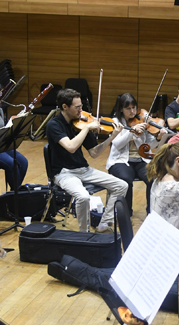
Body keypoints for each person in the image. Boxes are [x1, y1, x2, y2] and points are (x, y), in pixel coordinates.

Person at [46, 88, 128, 232]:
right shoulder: (54, 125)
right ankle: (84, 234)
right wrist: (87, 128)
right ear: (65, 107)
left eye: (81, 107)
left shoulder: (81, 123)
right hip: (64, 173)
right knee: (83, 197)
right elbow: (70, 147)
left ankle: (104, 223)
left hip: (84, 170)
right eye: (77, 107)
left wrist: (112, 136)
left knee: (122, 185)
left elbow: (95, 153)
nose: (81, 111)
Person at [106, 93, 161, 216]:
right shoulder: (115, 122)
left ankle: (151, 213)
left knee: (153, 177)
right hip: (120, 160)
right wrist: (132, 131)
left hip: (142, 160)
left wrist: (157, 138)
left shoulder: (142, 120)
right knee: (125, 180)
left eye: (134, 108)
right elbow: (117, 144)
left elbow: (148, 147)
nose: (132, 111)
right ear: (121, 109)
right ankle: (126, 214)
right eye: (128, 108)